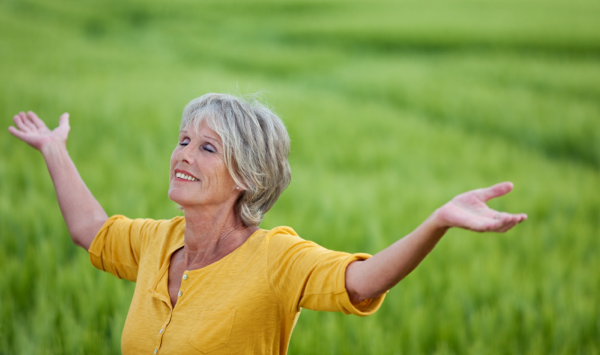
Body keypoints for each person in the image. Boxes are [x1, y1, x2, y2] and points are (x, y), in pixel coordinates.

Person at [8, 93, 527, 354]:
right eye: (184, 140)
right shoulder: (156, 240)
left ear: (245, 175)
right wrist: (55, 149)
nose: (183, 155)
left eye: (207, 147)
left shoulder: (277, 260)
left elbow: (362, 280)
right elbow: (90, 230)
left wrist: (437, 221)